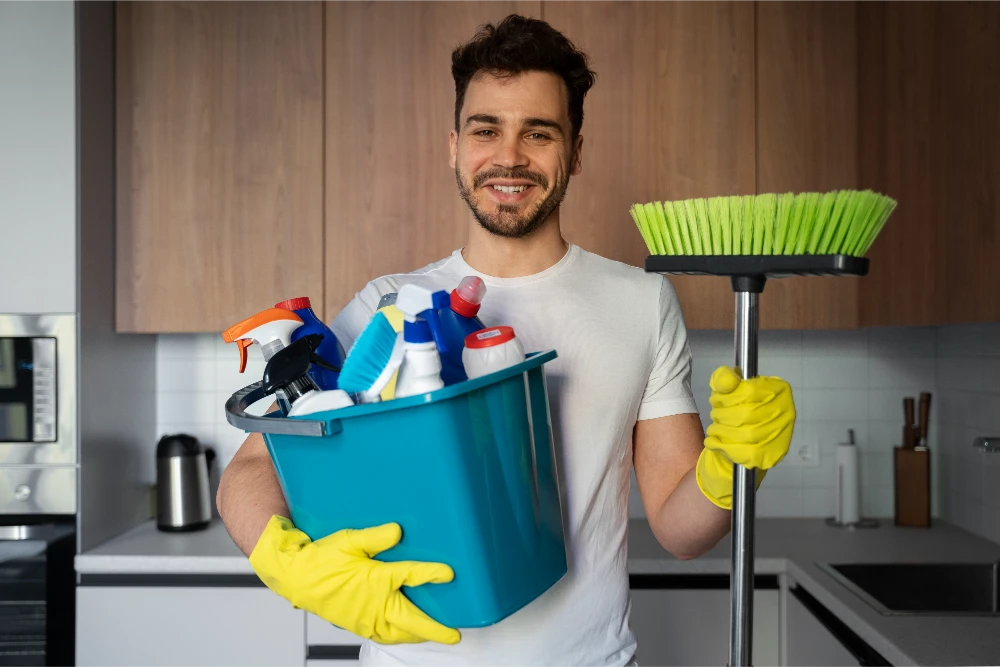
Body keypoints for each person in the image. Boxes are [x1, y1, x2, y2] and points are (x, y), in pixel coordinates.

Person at [217, 14, 795, 667]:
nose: (509, 156)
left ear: (575, 150)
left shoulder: (640, 300)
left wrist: (732, 469)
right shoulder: (386, 309)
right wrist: (285, 561)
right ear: (455, 146)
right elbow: (250, 469)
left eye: (538, 133)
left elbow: (680, 527)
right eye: (486, 129)